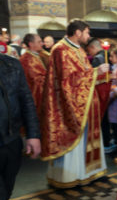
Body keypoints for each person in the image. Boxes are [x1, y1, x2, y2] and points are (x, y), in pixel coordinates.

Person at [40, 19, 110, 187]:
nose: (88, 36)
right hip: (67, 106)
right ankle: (70, 176)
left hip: (85, 103)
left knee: (88, 139)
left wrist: (103, 76)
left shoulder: (78, 49)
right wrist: (96, 72)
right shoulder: (60, 50)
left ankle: (90, 172)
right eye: (87, 32)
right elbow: (67, 81)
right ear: (78, 33)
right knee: (74, 140)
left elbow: (85, 74)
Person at [0, 52, 41, 200]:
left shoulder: (11, 65)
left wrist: (33, 134)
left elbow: (26, 100)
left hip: (10, 143)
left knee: (3, 199)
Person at [19, 33, 47, 119]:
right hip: (34, 99)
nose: (42, 43)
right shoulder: (27, 60)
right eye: (39, 42)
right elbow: (37, 81)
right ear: (31, 44)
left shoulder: (38, 55)